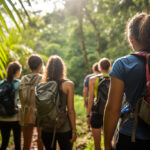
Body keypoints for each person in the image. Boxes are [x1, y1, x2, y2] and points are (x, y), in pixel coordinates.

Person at [104, 13, 150, 150]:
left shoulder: (123, 64)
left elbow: (112, 109)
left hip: (131, 137)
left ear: (131, 39)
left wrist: (107, 143)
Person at [41, 55, 77, 150]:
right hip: (64, 127)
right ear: (62, 68)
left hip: (46, 127)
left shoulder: (42, 85)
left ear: (47, 69)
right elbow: (70, 110)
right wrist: (74, 130)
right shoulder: (68, 84)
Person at [19, 54, 44, 150]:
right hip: (41, 112)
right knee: (41, 140)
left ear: (29, 65)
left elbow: (21, 97)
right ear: (40, 65)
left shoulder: (23, 79)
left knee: (26, 143)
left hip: (26, 112)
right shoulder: (43, 78)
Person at [87, 58, 111, 150]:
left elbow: (90, 99)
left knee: (97, 145)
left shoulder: (93, 79)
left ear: (99, 67)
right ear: (110, 67)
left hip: (97, 112)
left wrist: (88, 115)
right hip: (109, 113)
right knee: (109, 143)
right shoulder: (114, 77)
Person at [0, 61, 22, 150]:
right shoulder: (19, 83)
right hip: (15, 117)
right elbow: (22, 99)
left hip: (2, 117)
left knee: (4, 142)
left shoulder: (1, 83)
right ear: (17, 71)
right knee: (17, 143)